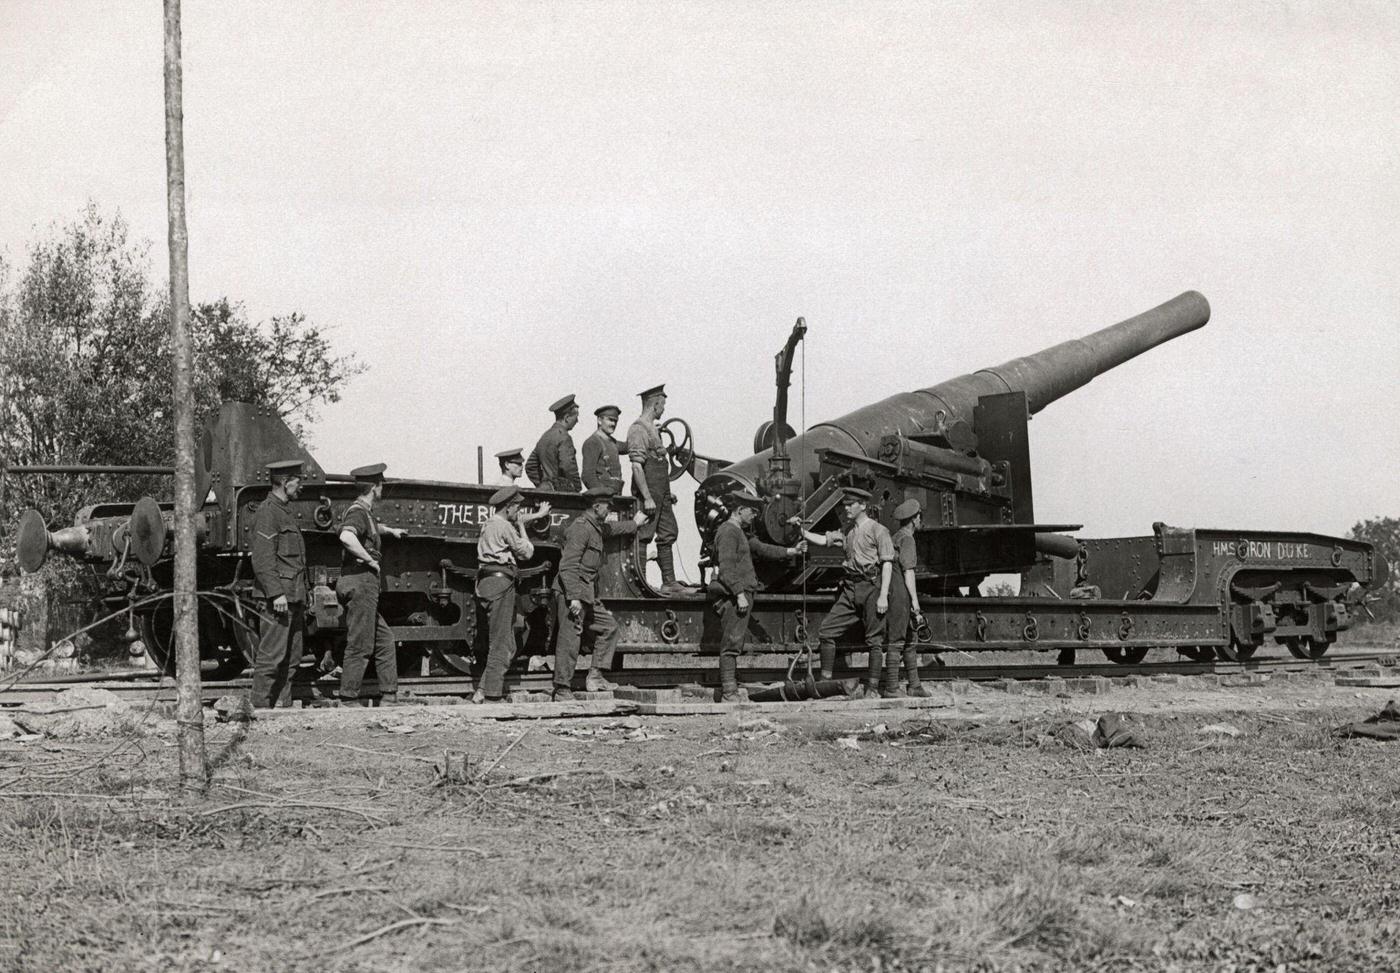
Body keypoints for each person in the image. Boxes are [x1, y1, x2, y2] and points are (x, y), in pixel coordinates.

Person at [552, 484, 648, 701]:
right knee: (570, 640)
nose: (609, 511)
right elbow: (567, 566)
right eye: (607, 507)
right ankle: (561, 689)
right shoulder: (580, 529)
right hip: (573, 592)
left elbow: (614, 529)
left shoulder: (596, 527)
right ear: (596, 507)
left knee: (609, 628)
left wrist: (635, 523)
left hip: (586, 594)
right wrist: (573, 597)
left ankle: (595, 677)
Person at [709, 489, 803, 702]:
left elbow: (762, 548)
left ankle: (730, 688)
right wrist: (739, 593)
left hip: (740, 594)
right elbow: (726, 567)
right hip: (734, 596)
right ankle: (729, 692)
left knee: (735, 642)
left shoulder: (739, 532)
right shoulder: (728, 532)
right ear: (740, 510)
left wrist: (792, 551)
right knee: (731, 644)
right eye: (752, 512)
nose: (755, 516)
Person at [800, 486, 894, 694]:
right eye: (845, 505)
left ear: (863, 506)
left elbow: (887, 564)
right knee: (827, 631)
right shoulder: (848, 531)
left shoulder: (879, 530)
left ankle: (872, 688)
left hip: (872, 588)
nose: (846, 509)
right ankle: (825, 681)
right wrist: (803, 532)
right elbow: (825, 540)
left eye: (850, 505)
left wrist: (883, 595)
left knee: (875, 642)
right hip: (850, 589)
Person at [337, 463, 408, 706]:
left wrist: (391, 530)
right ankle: (348, 697)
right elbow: (347, 536)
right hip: (361, 581)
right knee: (360, 643)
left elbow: (370, 529)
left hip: (361, 582)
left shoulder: (364, 512)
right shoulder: (357, 511)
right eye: (381, 484)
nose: (383, 488)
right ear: (374, 487)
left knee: (385, 640)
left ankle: (389, 695)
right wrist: (369, 560)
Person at [474, 484, 550, 703]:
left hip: (487, 583)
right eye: (517, 508)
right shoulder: (505, 526)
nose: (518, 513)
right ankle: (492, 696)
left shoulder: (489, 524)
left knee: (508, 641)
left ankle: (481, 690)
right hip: (501, 584)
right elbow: (527, 552)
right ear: (508, 508)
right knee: (502, 643)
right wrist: (522, 527)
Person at [249, 459, 306, 708]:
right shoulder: (267, 511)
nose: (301, 486)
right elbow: (262, 559)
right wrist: (275, 594)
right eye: (297, 481)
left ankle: (282, 707)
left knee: (291, 658)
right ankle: (260, 709)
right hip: (279, 599)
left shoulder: (283, 511)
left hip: (293, 596)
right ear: (284, 482)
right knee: (271, 656)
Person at [627, 384, 684, 594]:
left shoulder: (654, 430)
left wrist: (667, 493)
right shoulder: (638, 429)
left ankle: (669, 581)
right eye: (663, 405)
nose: (664, 409)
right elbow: (636, 466)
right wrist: (648, 497)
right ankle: (639, 582)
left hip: (662, 494)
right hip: (649, 496)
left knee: (669, 531)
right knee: (644, 533)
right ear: (656, 403)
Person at [882, 497, 933, 697]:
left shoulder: (896, 537)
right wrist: (916, 603)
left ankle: (914, 685)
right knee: (898, 638)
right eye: (919, 517)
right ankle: (891, 687)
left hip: (893, 591)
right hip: (900, 592)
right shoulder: (908, 539)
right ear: (914, 519)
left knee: (910, 637)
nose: (920, 520)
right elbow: (908, 572)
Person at [525, 394, 582, 491]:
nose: (577, 421)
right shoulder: (564, 437)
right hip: (562, 496)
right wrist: (576, 488)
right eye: (576, 417)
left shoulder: (545, 436)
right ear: (567, 417)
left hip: (547, 493)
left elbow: (530, 466)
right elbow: (568, 467)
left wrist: (545, 486)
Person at [581, 404, 626, 493]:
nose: (613, 424)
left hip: (615, 495)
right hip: (603, 499)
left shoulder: (612, 442)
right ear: (599, 420)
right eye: (610, 420)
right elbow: (587, 476)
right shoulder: (593, 442)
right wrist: (602, 495)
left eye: (615, 421)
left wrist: (652, 431)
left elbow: (629, 446)